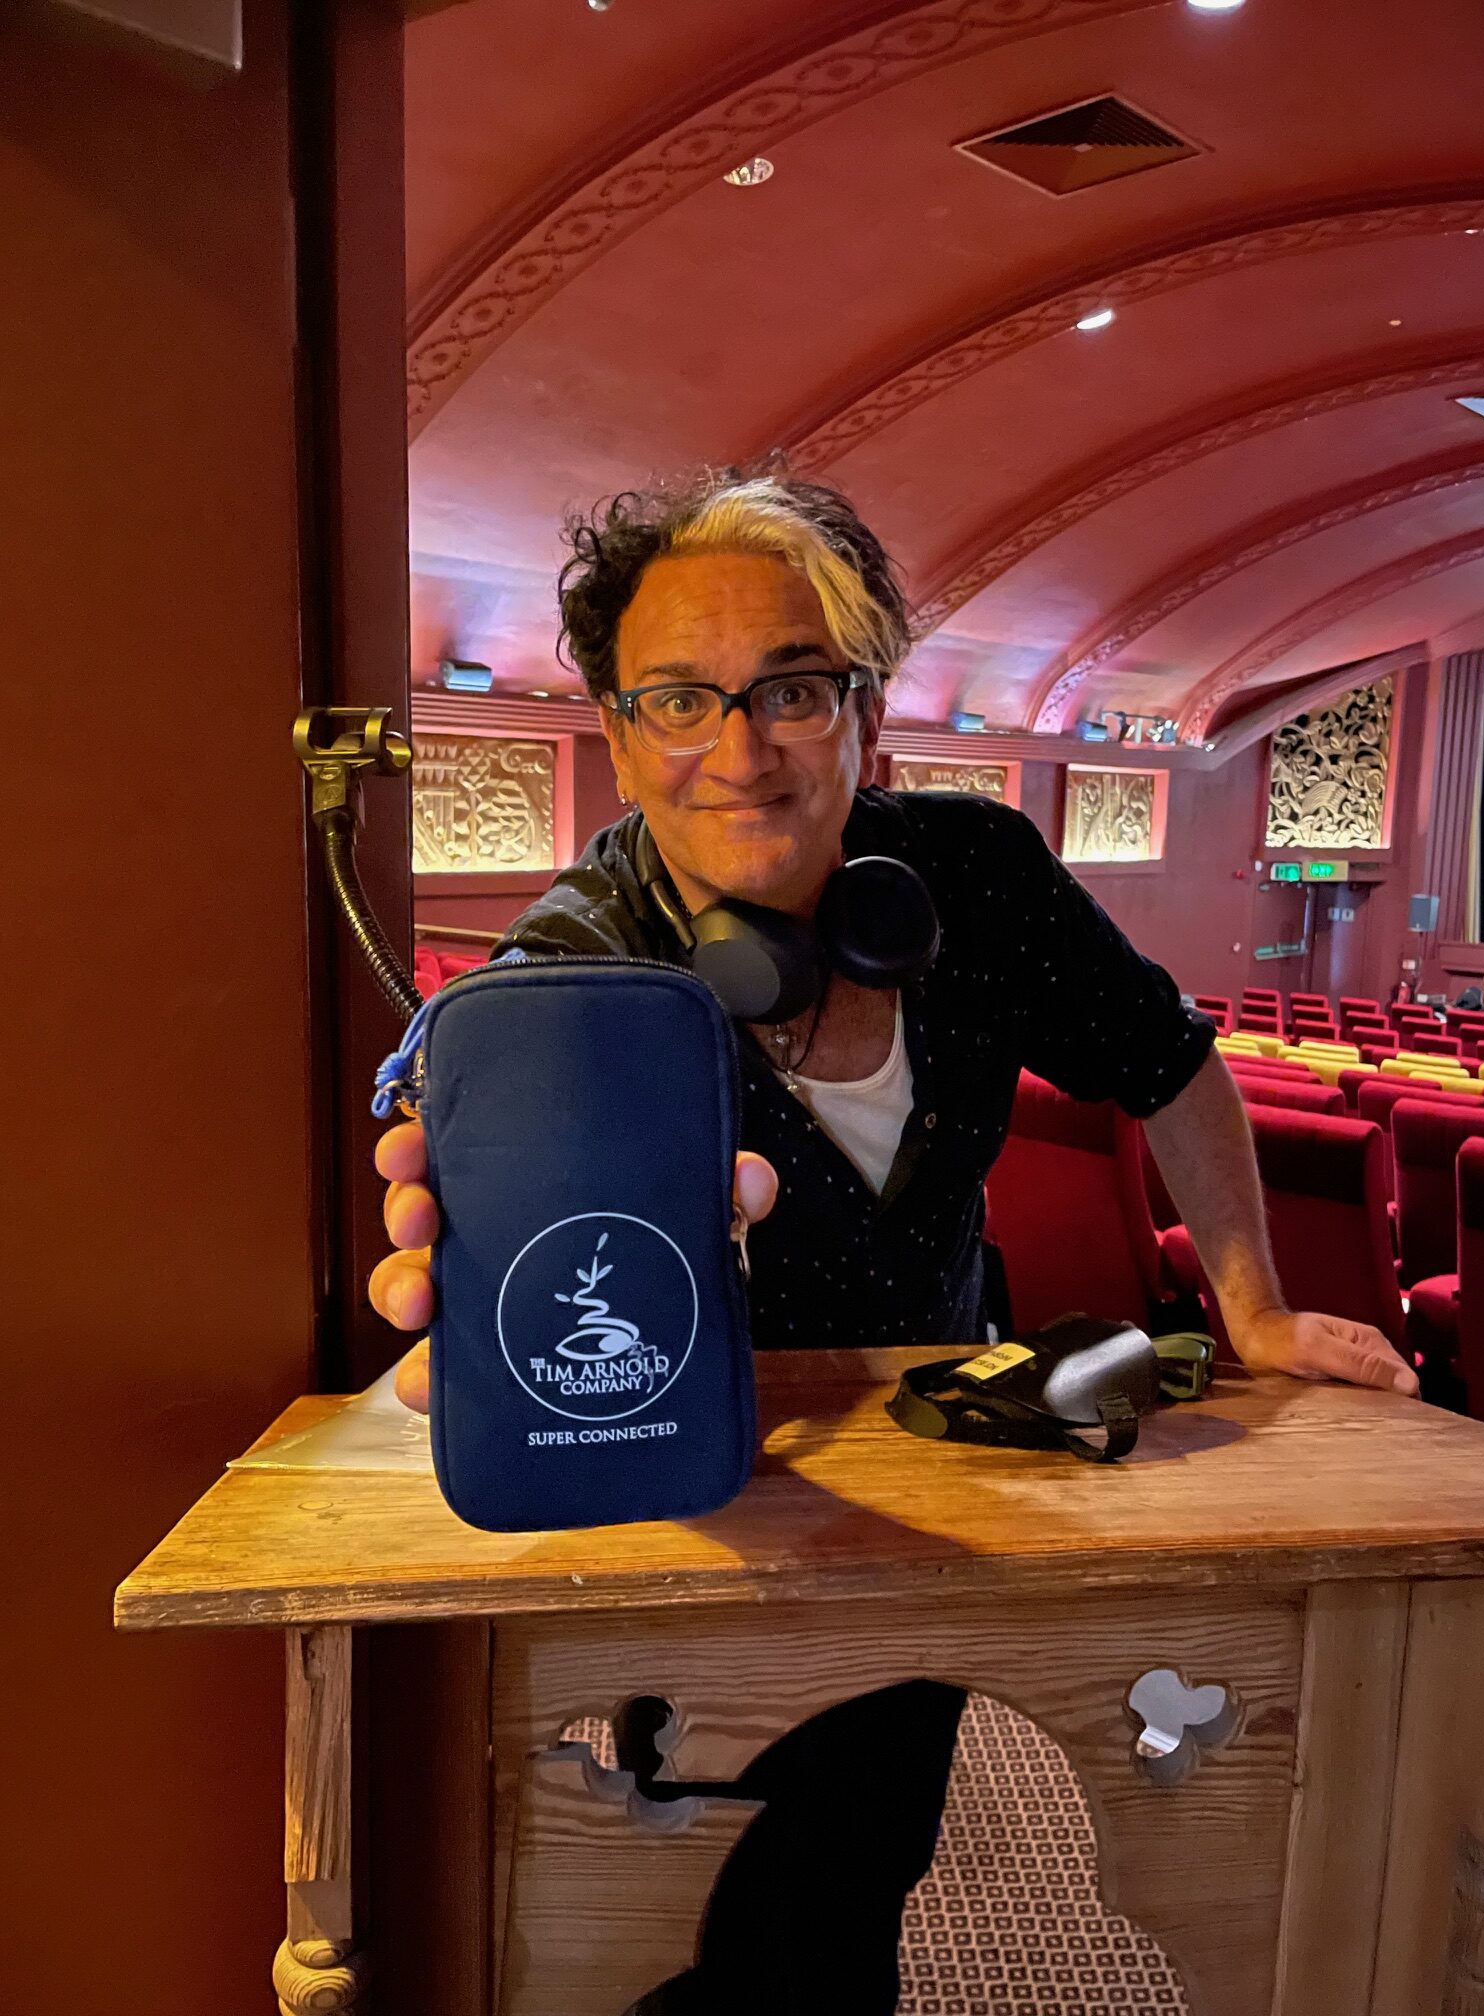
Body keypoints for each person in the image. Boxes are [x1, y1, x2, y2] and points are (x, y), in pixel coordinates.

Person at [370, 470, 1417, 2014]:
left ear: (866, 712)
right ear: (618, 731)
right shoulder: (568, 985)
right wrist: (456, 1291)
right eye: (681, 699)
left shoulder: (979, 875)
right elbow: (505, 1259)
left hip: (938, 1483)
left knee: (867, 1877)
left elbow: (1173, 1063)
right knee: (703, 1926)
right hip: (695, 1517)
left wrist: (1251, 1309)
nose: (743, 753)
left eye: (793, 689)